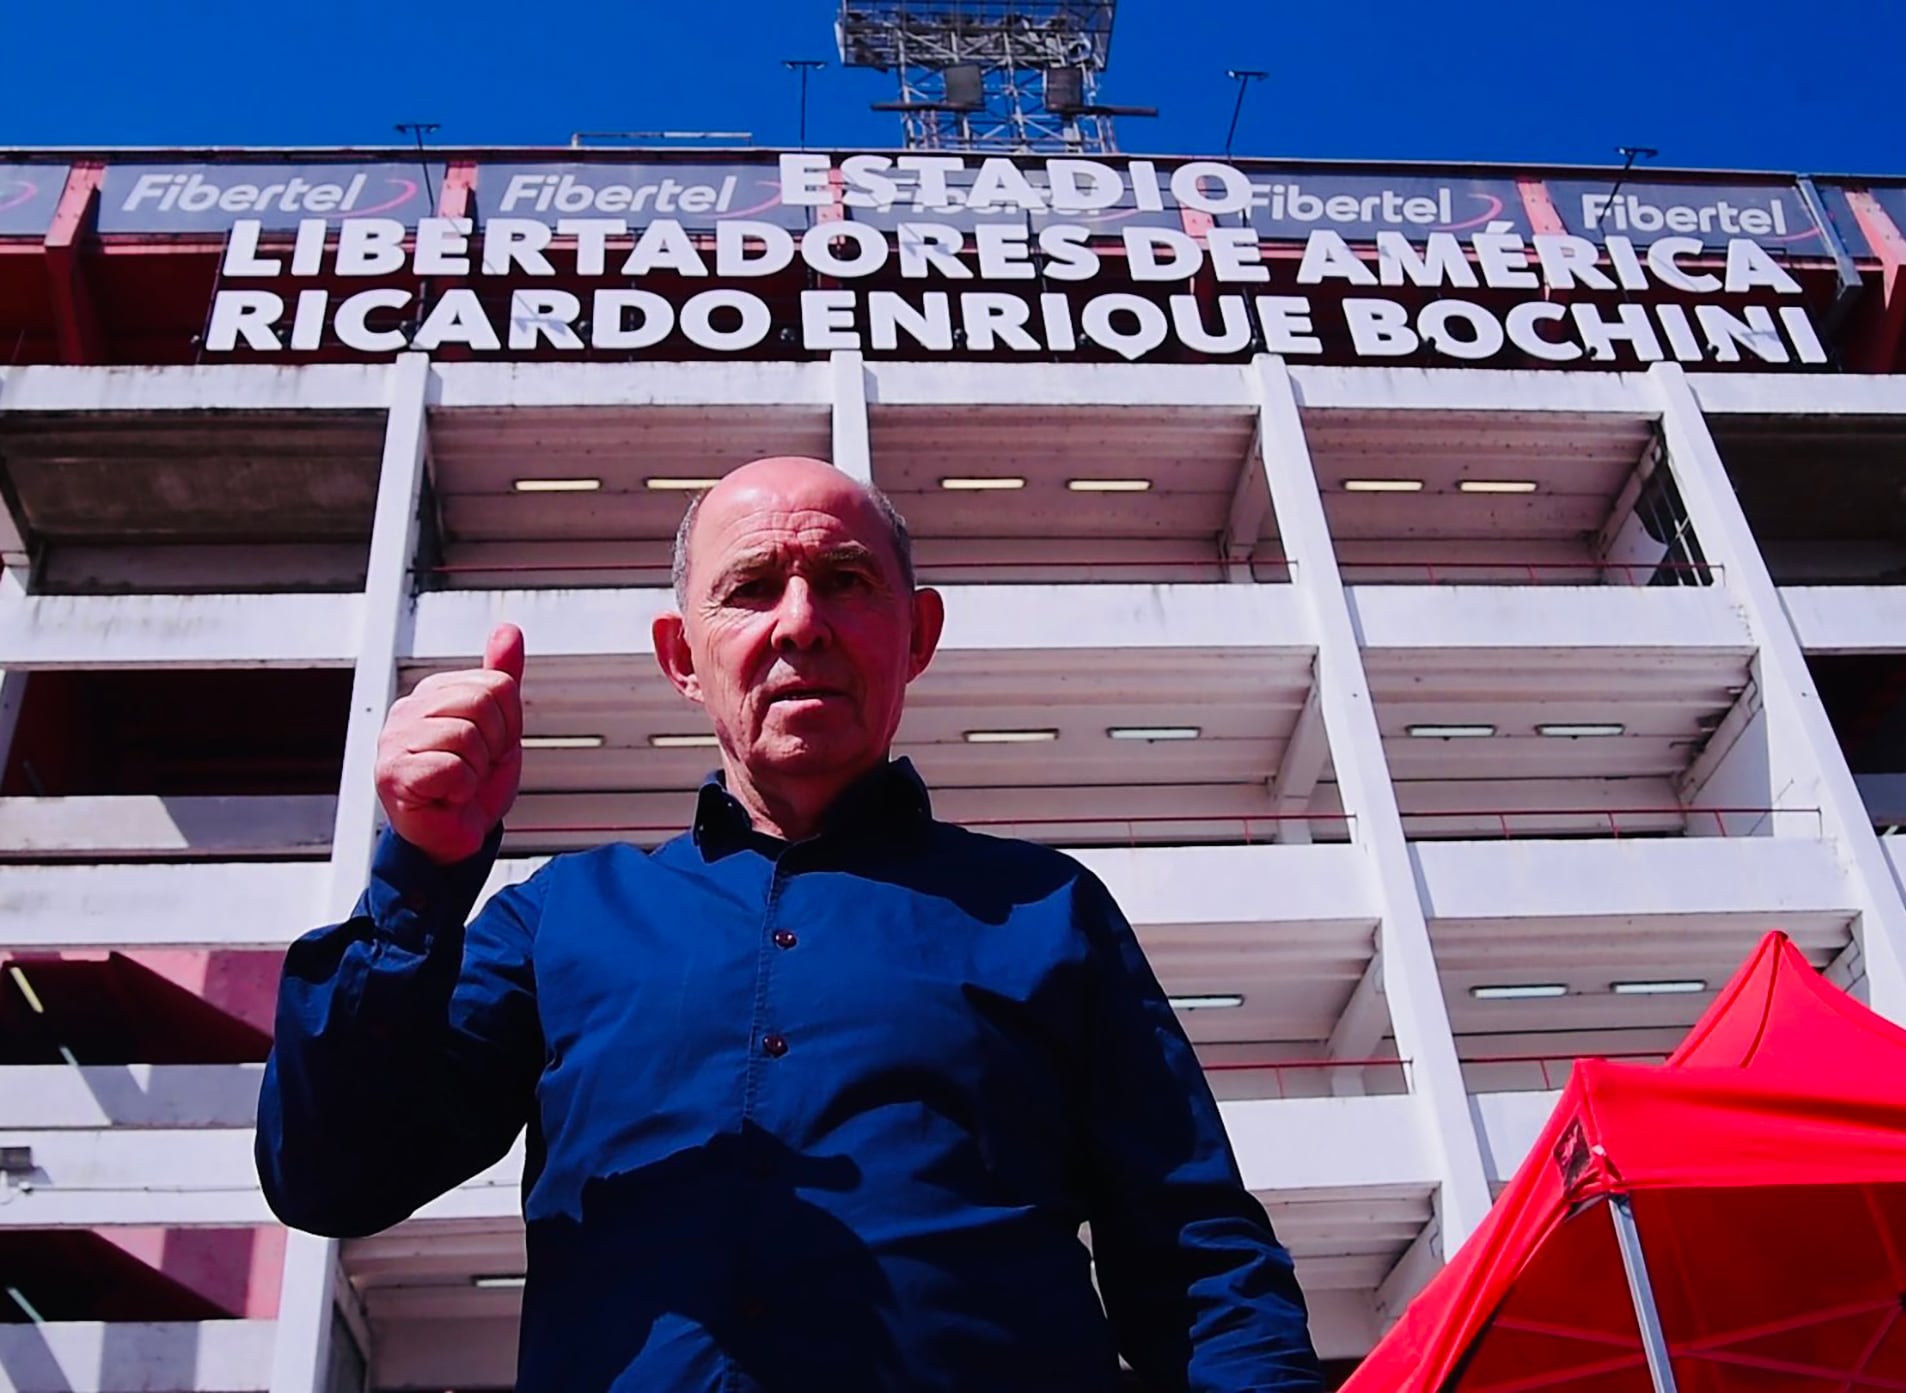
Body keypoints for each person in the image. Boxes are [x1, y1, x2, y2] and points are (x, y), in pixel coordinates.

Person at [257, 456, 1323, 1392]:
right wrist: (421, 876)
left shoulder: (1047, 912)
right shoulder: (559, 920)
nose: (801, 621)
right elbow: (333, 1174)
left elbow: (1191, 1253)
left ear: (918, 635)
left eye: (846, 581)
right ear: (683, 656)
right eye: (752, 588)